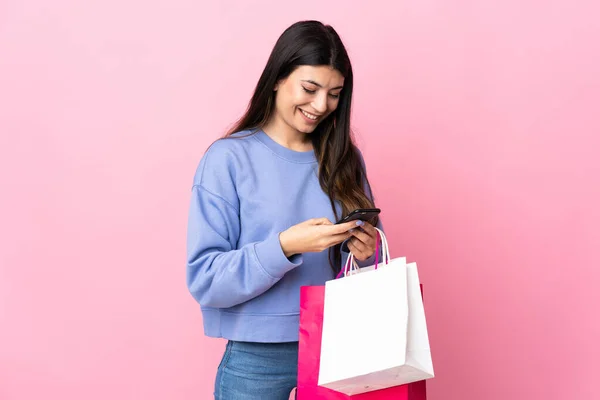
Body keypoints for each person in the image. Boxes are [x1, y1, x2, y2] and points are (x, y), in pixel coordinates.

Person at [186, 20, 383, 400]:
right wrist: (285, 246)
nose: (321, 106)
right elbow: (205, 280)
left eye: (335, 94)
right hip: (254, 360)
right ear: (277, 78)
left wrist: (363, 251)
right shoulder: (227, 159)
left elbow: (369, 265)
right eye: (310, 89)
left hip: (341, 349)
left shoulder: (346, 160)